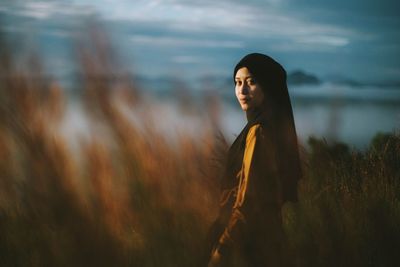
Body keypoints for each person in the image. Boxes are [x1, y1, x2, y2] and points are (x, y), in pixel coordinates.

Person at [205, 53, 302, 267]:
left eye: (251, 82)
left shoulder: (259, 131)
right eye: (238, 83)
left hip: (250, 246)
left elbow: (247, 202)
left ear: (268, 87)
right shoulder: (270, 127)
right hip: (270, 240)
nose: (242, 90)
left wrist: (222, 250)